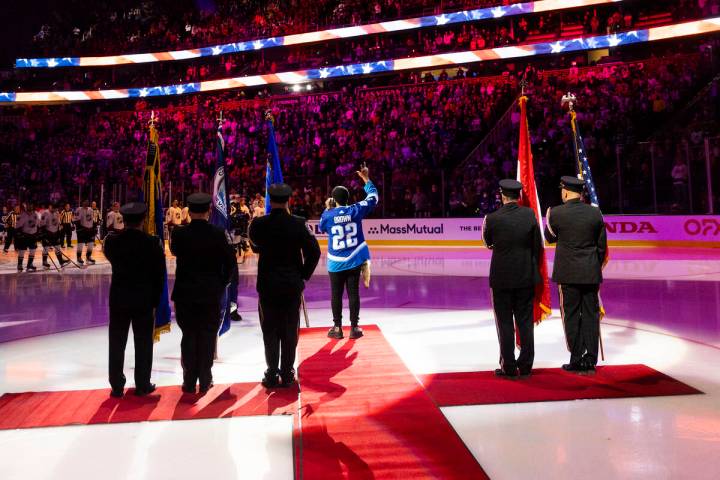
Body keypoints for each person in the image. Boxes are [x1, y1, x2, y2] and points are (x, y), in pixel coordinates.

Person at [249, 183, 321, 388]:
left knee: (270, 329)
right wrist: (303, 276)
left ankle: (272, 373)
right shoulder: (298, 224)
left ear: (270, 201)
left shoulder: (259, 224)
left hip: (268, 285)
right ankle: (288, 373)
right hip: (291, 285)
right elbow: (314, 252)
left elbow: (254, 247)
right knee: (290, 329)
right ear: (288, 200)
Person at [170, 193, 237, 394]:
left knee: (189, 335)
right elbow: (230, 262)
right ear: (209, 211)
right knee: (208, 336)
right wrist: (222, 283)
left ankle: (189, 380)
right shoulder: (218, 233)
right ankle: (205, 378)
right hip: (210, 293)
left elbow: (174, 251)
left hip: (185, 294)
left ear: (189, 212)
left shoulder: (179, 234)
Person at [545, 176, 608, 374]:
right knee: (590, 314)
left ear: (565, 191)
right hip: (590, 273)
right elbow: (601, 247)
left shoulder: (555, 213)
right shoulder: (595, 213)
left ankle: (576, 357)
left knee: (571, 316)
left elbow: (549, 238)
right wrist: (592, 265)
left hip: (568, 273)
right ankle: (590, 359)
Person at [104, 202, 166, 398]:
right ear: (143, 219)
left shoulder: (112, 242)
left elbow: (111, 257)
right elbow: (158, 275)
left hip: (119, 298)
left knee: (116, 342)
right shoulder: (152, 242)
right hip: (143, 299)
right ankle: (142, 384)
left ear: (124, 219)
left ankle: (116, 385)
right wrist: (156, 301)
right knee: (143, 343)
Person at [482, 179, 542, 379]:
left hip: (501, 278)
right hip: (525, 275)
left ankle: (508, 365)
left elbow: (488, 243)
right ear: (518, 196)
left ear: (502, 195)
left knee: (505, 322)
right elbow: (536, 246)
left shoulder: (492, 218)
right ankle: (525, 365)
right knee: (525, 322)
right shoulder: (530, 215)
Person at [319, 163, 378, 340]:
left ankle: (337, 328)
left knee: (336, 295)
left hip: (335, 262)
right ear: (348, 198)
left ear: (333, 200)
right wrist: (366, 178)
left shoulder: (328, 215)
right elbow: (374, 197)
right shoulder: (355, 209)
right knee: (354, 293)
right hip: (354, 261)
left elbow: (322, 226)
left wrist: (327, 208)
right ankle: (354, 327)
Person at [40, 203, 68, 268]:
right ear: (50, 206)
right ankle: (44, 262)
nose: (55, 210)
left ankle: (61, 261)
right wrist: (43, 235)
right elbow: (42, 225)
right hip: (47, 233)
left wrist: (58, 234)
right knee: (46, 248)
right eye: (54, 208)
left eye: (56, 209)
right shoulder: (45, 213)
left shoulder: (56, 213)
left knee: (58, 247)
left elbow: (58, 224)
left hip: (55, 234)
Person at [14, 204, 39, 272]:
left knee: (33, 251)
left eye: (31, 206)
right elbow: (17, 226)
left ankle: (29, 264)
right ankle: (19, 265)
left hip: (33, 236)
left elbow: (38, 225)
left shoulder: (35, 214)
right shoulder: (22, 215)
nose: (30, 207)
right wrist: (20, 234)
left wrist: (39, 234)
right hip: (25, 236)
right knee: (22, 251)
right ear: (26, 207)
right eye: (29, 206)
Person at [74, 200, 96, 265]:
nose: (86, 203)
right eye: (85, 202)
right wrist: (80, 228)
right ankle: (79, 257)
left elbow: (92, 220)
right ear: (82, 202)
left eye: (87, 202)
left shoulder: (91, 210)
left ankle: (88, 256)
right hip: (82, 231)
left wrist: (94, 227)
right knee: (80, 245)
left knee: (91, 244)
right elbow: (76, 220)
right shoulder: (79, 209)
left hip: (90, 230)